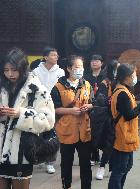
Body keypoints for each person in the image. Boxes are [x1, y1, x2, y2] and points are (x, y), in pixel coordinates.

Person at [0, 48, 55, 189]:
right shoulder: (2, 88)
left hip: (21, 155)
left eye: (14, 70)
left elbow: (48, 121)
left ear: (23, 68)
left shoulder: (37, 90)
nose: (10, 74)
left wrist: (21, 115)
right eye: (6, 70)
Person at [51, 55, 93, 189]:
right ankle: (66, 185)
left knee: (86, 163)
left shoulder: (86, 84)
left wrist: (90, 106)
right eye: (77, 67)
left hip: (84, 131)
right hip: (67, 130)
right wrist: (70, 111)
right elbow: (54, 109)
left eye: (81, 67)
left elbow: (93, 102)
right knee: (66, 162)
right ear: (69, 68)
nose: (80, 70)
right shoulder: (58, 87)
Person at [108, 63, 140, 189]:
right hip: (123, 136)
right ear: (127, 77)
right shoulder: (122, 93)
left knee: (125, 167)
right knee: (120, 169)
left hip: (127, 135)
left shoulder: (122, 89)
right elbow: (128, 115)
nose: (135, 77)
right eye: (134, 75)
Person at [33, 46, 65, 174]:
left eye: (56, 55)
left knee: (51, 135)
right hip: (38, 106)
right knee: (36, 134)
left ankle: (50, 162)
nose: (56, 57)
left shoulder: (60, 72)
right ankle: (36, 157)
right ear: (45, 57)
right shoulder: (36, 71)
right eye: (53, 55)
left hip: (53, 107)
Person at [92, 59, 120, 180]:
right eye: (116, 69)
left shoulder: (122, 83)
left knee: (116, 144)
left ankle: (112, 167)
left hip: (119, 117)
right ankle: (102, 166)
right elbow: (100, 99)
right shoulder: (106, 83)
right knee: (108, 142)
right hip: (107, 117)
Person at [84, 54, 106, 165]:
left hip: (102, 107)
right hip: (88, 106)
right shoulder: (86, 77)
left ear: (101, 63)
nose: (94, 62)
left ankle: (104, 155)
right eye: (92, 60)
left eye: (97, 60)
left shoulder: (105, 77)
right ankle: (94, 155)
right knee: (90, 131)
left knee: (101, 131)